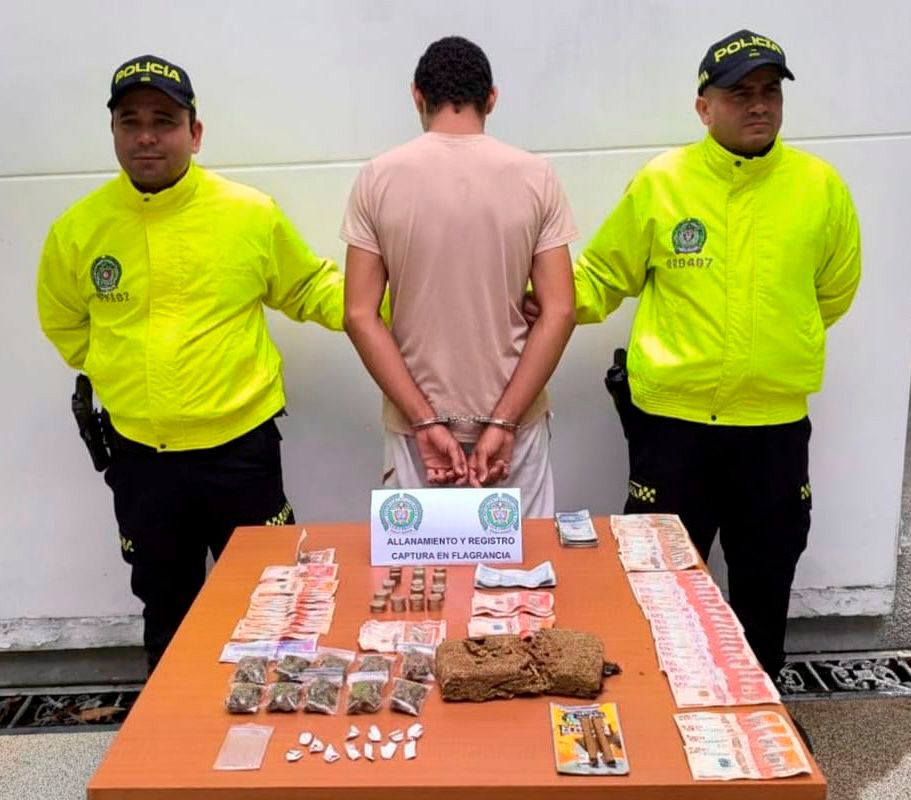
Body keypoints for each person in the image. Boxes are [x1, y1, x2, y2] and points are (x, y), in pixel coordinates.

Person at [36, 55, 345, 671]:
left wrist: (396, 307)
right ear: (114, 132)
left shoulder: (249, 213)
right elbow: (64, 321)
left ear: (194, 133)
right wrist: (125, 373)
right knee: (166, 609)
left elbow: (312, 288)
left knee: (275, 600)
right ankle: (170, 730)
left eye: (164, 121)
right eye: (130, 121)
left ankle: (271, 718)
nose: (146, 136)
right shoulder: (78, 230)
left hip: (241, 452)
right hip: (141, 461)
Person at [569, 30, 861, 677]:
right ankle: (660, 707)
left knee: (765, 579)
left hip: (772, 428)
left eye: (769, 92)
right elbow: (602, 276)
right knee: (660, 581)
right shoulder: (662, 182)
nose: (758, 105)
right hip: (672, 427)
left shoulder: (819, 187)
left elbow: (832, 291)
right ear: (704, 108)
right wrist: (540, 303)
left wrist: (774, 344)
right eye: (739, 94)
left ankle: (762, 712)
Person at [341, 36, 577, 517]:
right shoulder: (537, 176)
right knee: (522, 563)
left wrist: (425, 422)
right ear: (492, 98)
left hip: (417, 432)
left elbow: (359, 315)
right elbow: (560, 311)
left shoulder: (377, 177)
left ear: (417, 96)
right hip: (515, 427)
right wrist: (503, 424)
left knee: (422, 566)